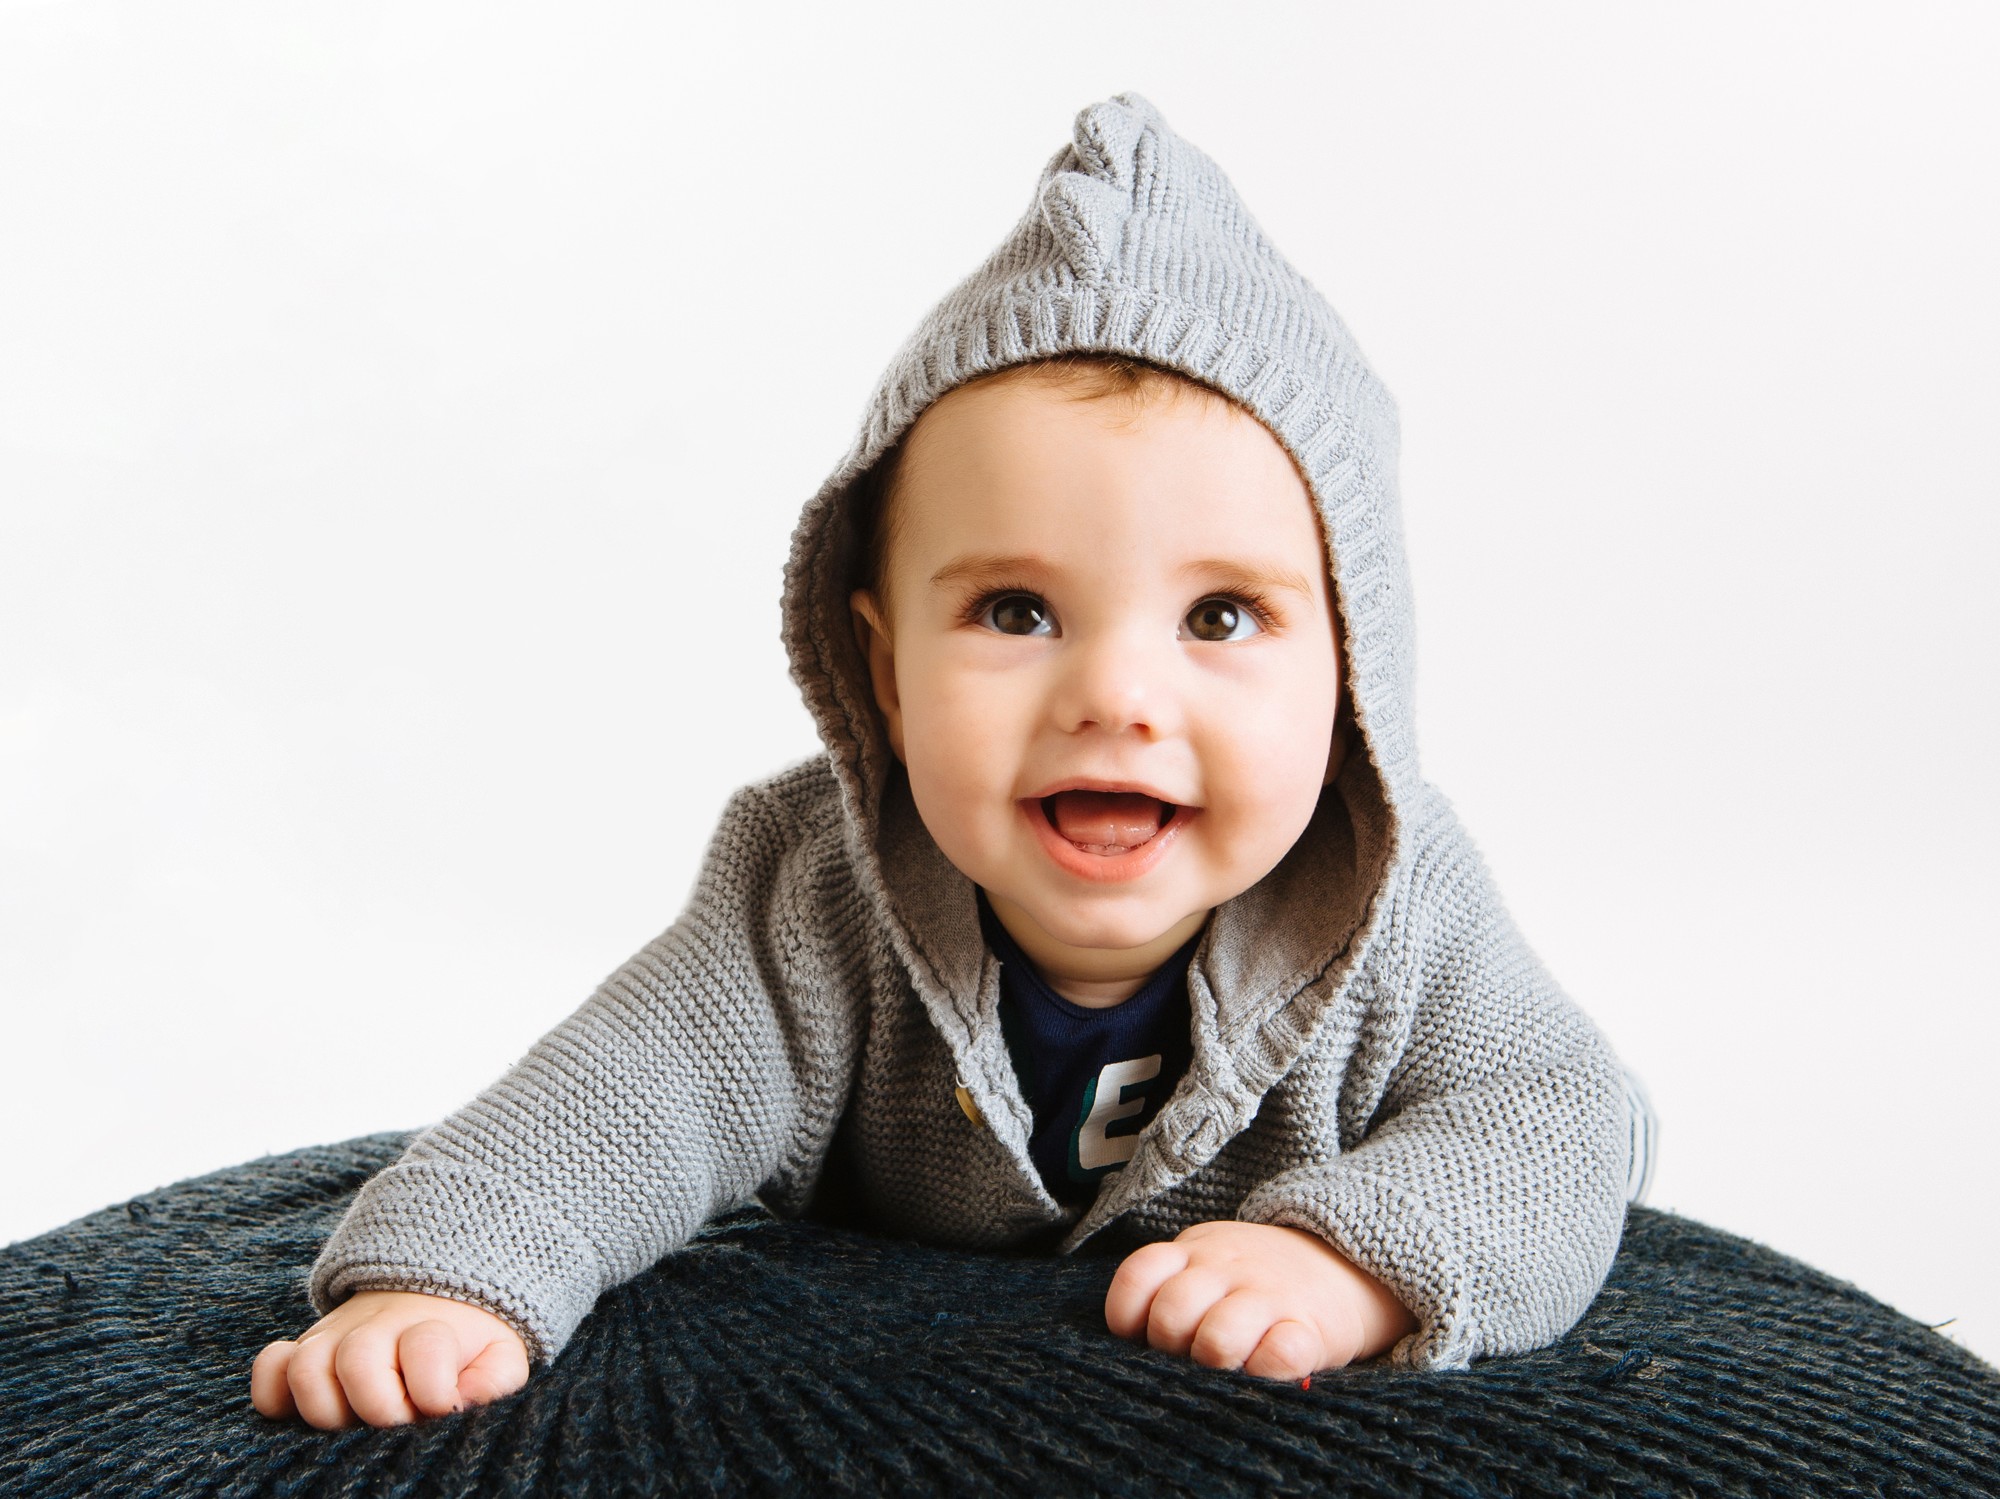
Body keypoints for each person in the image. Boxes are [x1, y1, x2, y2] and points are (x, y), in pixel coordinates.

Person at [251, 92, 1651, 1430]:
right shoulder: (811, 896)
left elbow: (1567, 1124)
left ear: (1353, 674)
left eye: (1221, 616)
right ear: (883, 672)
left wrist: (1349, 1263)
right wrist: (444, 1277)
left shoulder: (1397, 910)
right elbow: (630, 1094)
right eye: (1015, 611)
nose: (1114, 694)